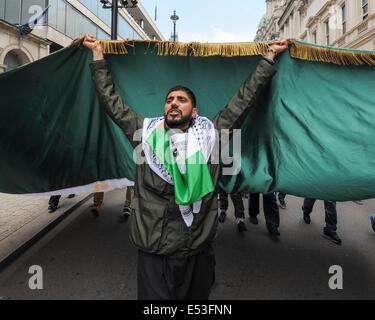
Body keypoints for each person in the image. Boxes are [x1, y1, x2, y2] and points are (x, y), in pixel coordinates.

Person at [83, 34, 290, 300]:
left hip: (197, 247)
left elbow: (244, 99)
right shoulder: (144, 133)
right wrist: (98, 56)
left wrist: (269, 57)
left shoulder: (213, 135)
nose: (173, 103)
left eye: (181, 99)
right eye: (169, 99)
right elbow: (111, 103)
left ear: (194, 111)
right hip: (154, 248)